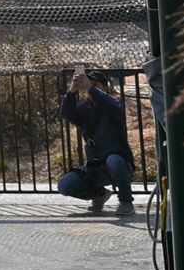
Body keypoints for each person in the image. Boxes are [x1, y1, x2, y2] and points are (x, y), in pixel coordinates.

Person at [58, 65, 136, 213]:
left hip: (119, 165)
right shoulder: (84, 109)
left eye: (95, 85)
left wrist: (91, 89)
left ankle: (126, 201)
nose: (89, 89)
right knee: (65, 185)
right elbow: (67, 113)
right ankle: (99, 195)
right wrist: (72, 90)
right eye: (87, 85)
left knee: (114, 160)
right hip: (95, 167)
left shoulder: (114, 106)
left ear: (105, 88)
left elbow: (113, 107)